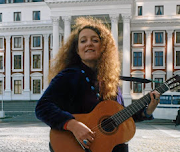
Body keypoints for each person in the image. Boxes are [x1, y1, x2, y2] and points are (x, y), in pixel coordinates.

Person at [35, 17, 160, 152]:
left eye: (95, 40)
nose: (89, 44)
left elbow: (120, 118)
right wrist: (72, 124)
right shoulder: (69, 75)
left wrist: (147, 110)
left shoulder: (111, 82)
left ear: (103, 47)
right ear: (77, 50)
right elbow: (43, 107)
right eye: (83, 41)